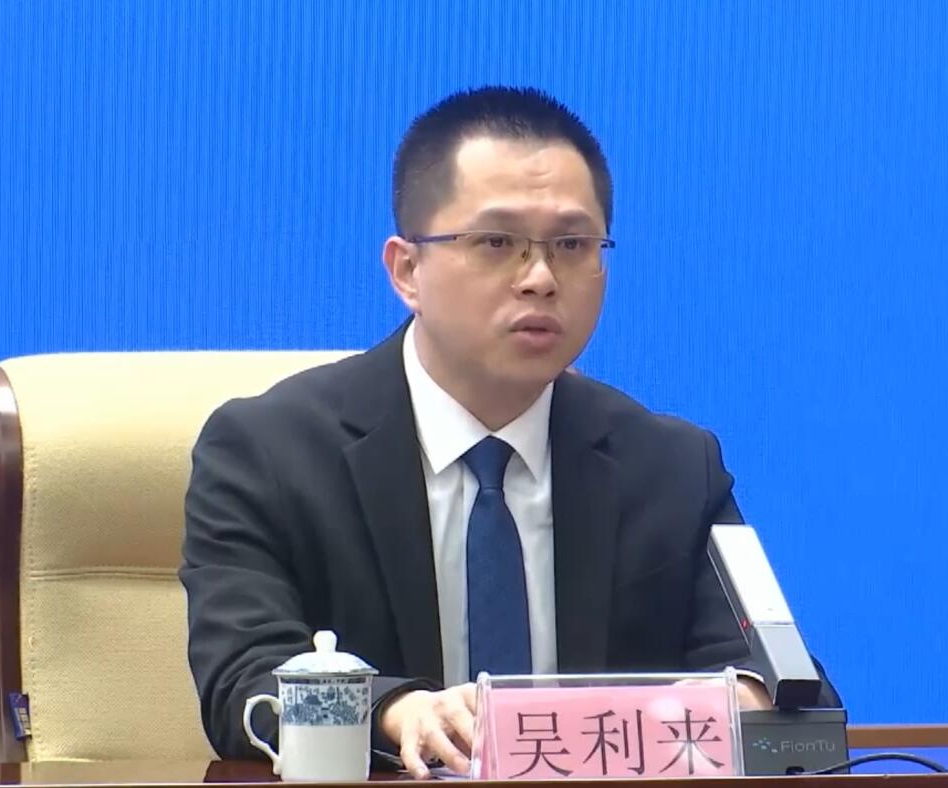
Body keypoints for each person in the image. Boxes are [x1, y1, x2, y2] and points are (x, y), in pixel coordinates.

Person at [180, 86, 838, 779]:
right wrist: (397, 711)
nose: (541, 278)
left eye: (572, 244)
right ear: (407, 270)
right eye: (497, 242)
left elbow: (786, 686)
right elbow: (242, 678)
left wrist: (746, 703)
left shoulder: (671, 467)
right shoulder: (268, 452)